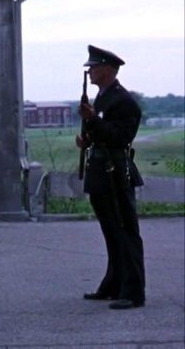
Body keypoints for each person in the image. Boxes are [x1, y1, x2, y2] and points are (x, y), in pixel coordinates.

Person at [76, 45, 146, 310]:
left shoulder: (123, 101)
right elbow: (103, 133)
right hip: (101, 172)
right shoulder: (104, 98)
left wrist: (94, 122)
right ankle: (114, 284)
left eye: (93, 67)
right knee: (111, 232)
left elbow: (120, 137)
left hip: (115, 172)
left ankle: (133, 291)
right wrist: (88, 139)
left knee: (126, 232)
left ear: (106, 70)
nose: (90, 72)